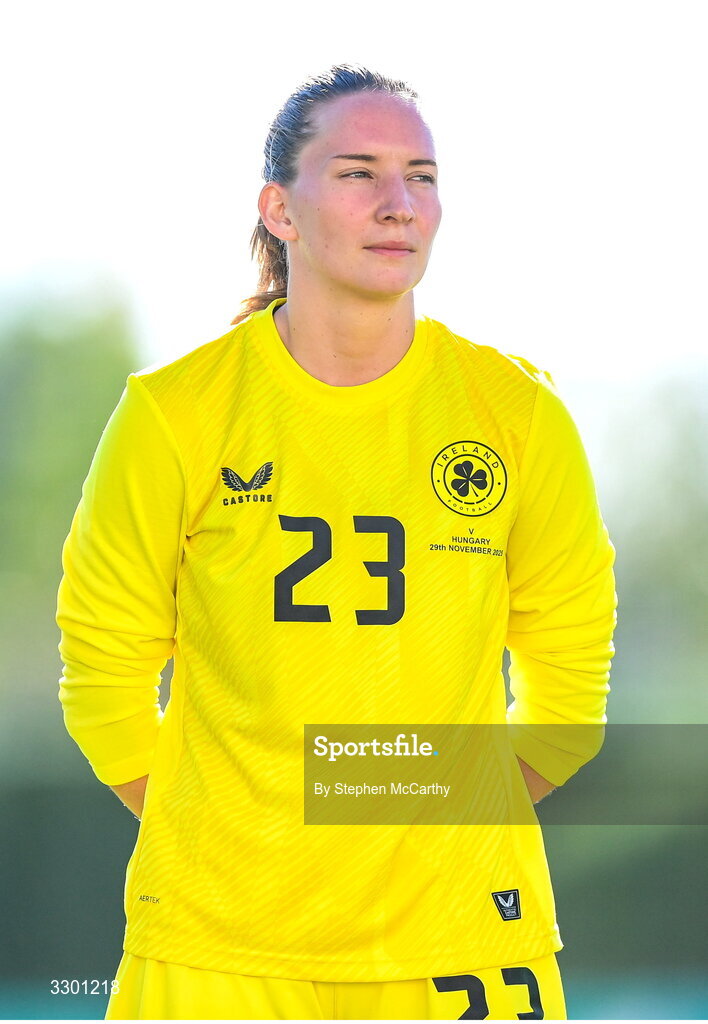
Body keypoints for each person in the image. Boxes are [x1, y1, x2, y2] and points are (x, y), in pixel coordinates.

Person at [56, 64, 617, 1021]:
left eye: (422, 176)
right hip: (216, 943)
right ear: (280, 209)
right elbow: (104, 669)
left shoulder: (517, 416)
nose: (400, 203)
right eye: (359, 173)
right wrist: (232, 828)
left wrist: (429, 813)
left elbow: (568, 690)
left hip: (460, 937)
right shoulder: (174, 414)